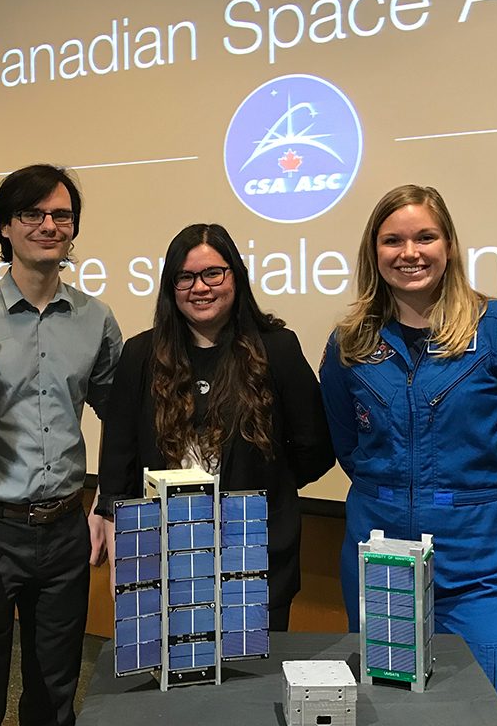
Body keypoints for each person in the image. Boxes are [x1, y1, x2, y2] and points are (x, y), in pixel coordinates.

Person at [318, 184, 497, 726]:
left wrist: (492, 510)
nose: (409, 252)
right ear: (374, 252)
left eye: (424, 237)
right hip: (380, 561)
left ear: (450, 245)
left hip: (480, 568)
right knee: (392, 715)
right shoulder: (349, 344)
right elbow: (349, 447)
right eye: (393, 240)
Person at [0, 164, 122, 726]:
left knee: (56, 692)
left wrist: (106, 503)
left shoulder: (96, 319)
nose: (48, 225)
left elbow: (121, 421)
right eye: (31, 214)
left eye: (61, 215)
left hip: (65, 530)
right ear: (4, 229)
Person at [95, 223, 335, 630]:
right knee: (176, 682)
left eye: (212, 273)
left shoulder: (276, 348)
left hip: (257, 555)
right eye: (185, 277)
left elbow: (314, 446)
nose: (200, 287)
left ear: (235, 277)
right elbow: (120, 451)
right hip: (166, 557)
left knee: (252, 681)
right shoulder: (141, 353)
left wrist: (270, 480)